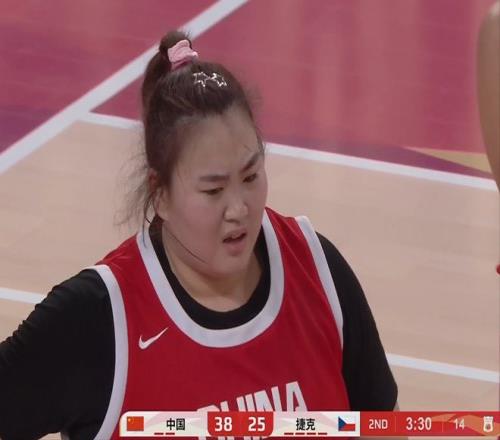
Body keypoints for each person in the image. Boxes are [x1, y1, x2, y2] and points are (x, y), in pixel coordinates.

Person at [0, 31, 397, 440]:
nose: (239, 208)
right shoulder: (98, 318)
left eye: (251, 176)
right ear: (160, 194)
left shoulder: (317, 269)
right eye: (213, 190)